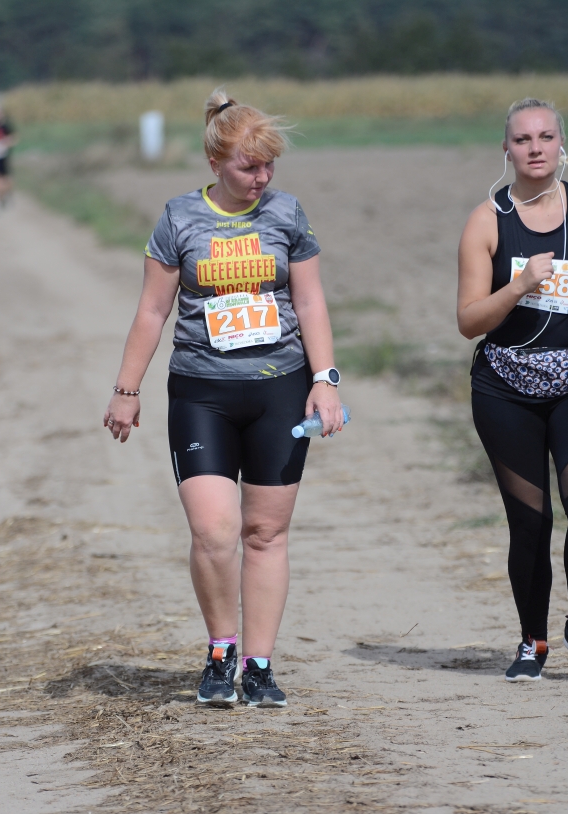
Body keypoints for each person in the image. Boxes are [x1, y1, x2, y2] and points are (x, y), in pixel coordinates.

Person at [104, 89, 344, 707]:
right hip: (201, 393)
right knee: (214, 531)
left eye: (269, 165)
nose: (261, 178)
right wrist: (127, 389)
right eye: (248, 166)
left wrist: (326, 379)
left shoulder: (287, 214)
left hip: (280, 390)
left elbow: (310, 300)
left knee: (264, 532)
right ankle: (221, 651)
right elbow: (152, 310)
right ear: (215, 162)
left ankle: (260, 666)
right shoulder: (179, 218)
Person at [458, 98, 568, 681]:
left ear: (562, 144)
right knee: (530, 521)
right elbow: (468, 320)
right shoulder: (486, 220)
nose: (536, 148)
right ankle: (532, 642)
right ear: (507, 148)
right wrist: (519, 285)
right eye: (523, 139)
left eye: (546, 137)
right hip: (505, 388)